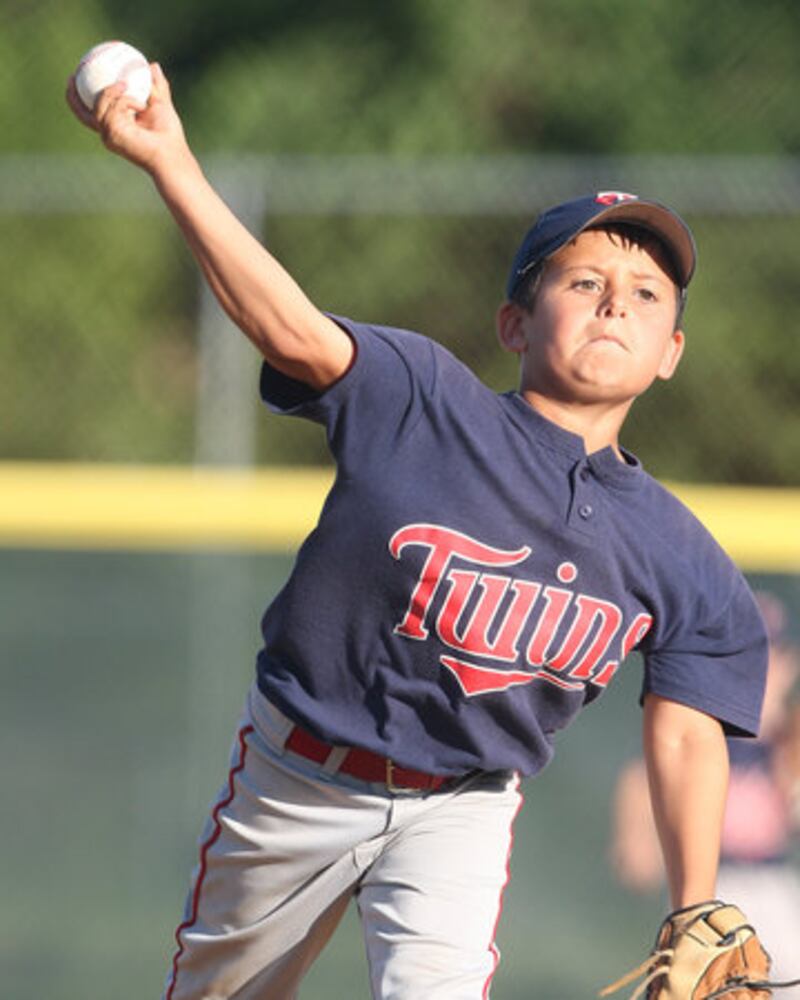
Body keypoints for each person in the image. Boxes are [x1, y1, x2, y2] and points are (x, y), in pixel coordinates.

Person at [66, 63, 770, 1000]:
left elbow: (684, 737)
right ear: (514, 323)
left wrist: (694, 905)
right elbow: (292, 331)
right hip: (300, 774)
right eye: (586, 279)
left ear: (672, 351)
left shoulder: (681, 555)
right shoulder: (422, 397)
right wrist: (173, 166)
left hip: (462, 811)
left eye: (648, 295)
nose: (616, 302)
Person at [611, 591, 800, 996]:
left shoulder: (785, 738)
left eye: (769, 661)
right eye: (744, 663)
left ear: (786, 664)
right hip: (707, 882)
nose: (757, 674)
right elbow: (645, 774)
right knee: (700, 978)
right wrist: (636, 837)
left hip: (769, 877)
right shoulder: (703, 726)